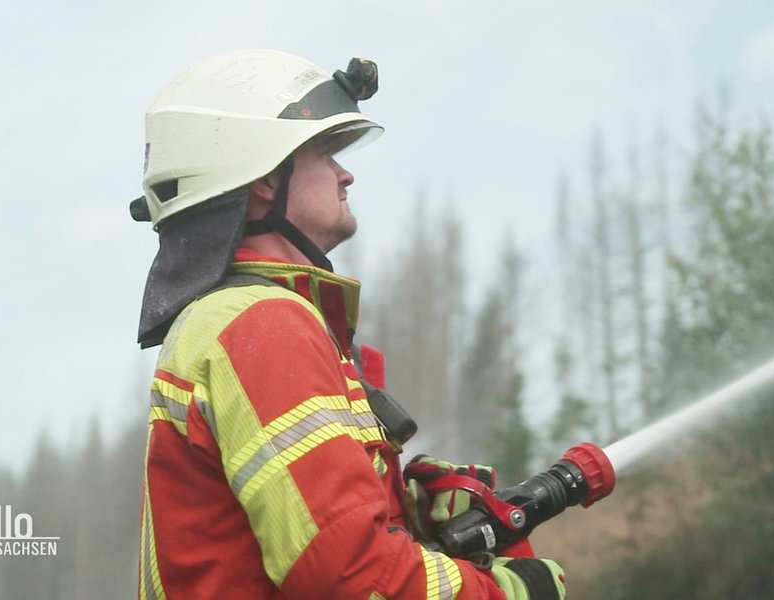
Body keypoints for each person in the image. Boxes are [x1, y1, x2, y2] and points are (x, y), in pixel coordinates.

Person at [130, 48, 567, 599]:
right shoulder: (262, 327)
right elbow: (346, 571)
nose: (346, 172)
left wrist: (407, 510)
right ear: (264, 177)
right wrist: (504, 593)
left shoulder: (232, 321)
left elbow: (309, 539)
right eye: (322, 151)